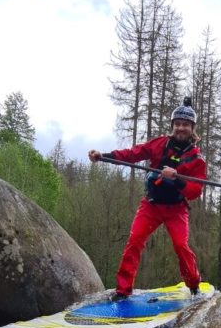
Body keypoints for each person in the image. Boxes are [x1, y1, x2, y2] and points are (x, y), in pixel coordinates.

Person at [88, 98, 206, 301]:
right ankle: (122, 291)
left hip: (176, 209)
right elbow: (133, 154)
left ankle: (194, 285)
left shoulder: (197, 159)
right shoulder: (159, 144)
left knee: (180, 245)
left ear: (192, 128)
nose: (180, 128)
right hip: (151, 205)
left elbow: (195, 191)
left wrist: (176, 179)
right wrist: (104, 156)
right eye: (177, 124)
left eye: (185, 125)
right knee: (134, 241)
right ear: (173, 126)